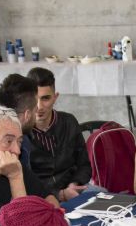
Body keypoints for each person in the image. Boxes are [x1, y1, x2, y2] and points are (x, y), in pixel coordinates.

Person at [26, 67, 92, 202]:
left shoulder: (69, 122)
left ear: (55, 97)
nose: (39, 106)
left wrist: (74, 184)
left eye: (45, 98)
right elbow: (24, 181)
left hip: (74, 190)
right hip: (38, 198)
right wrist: (59, 194)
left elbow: (84, 164)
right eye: (34, 99)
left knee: (106, 197)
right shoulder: (21, 132)